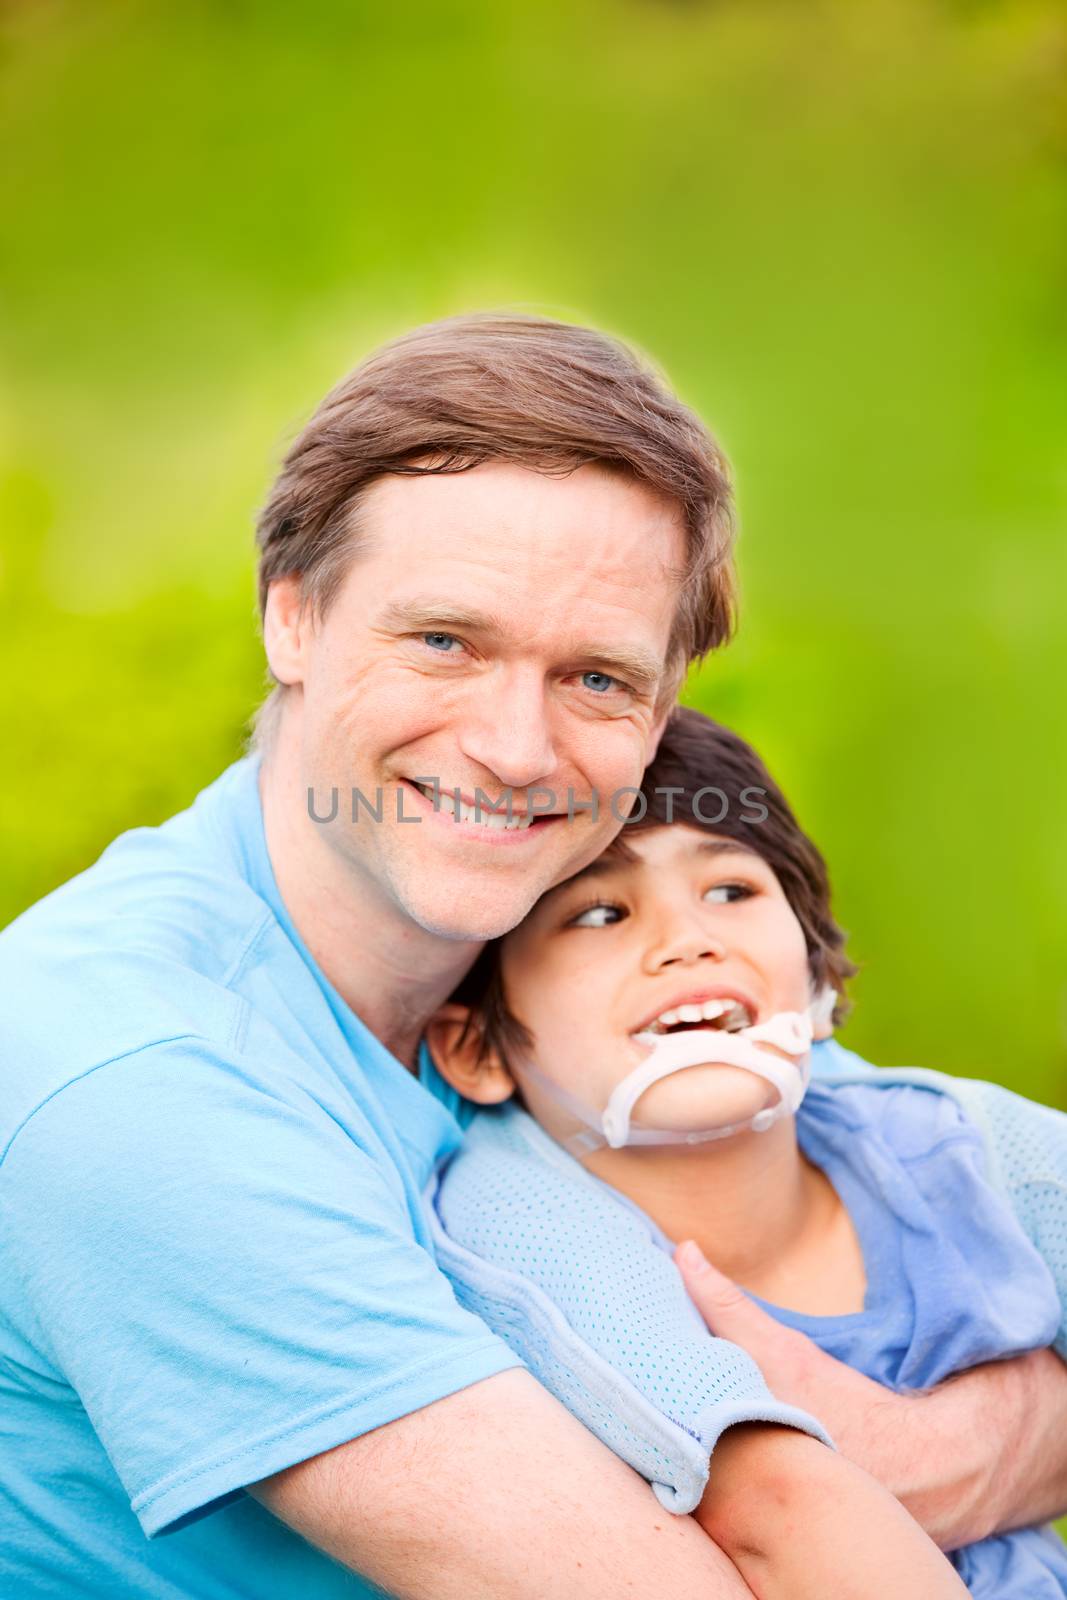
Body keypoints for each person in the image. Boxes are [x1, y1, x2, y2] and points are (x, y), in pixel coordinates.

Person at [1, 315, 1065, 1600]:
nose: (515, 747)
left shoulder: (558, 956)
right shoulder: (138, 1080)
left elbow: (942, 1169)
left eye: (597, 679)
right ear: (291, 617)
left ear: (663, 710)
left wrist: (942, 1442)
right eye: (444, 640)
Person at [426, 705, 1067, 1596]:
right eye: (601, 911)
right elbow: (773, 1512)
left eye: (730, 890)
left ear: (808, 968)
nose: (689, 940)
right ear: (478, 1050)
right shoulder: (518, 1222)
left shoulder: (957, 1145)